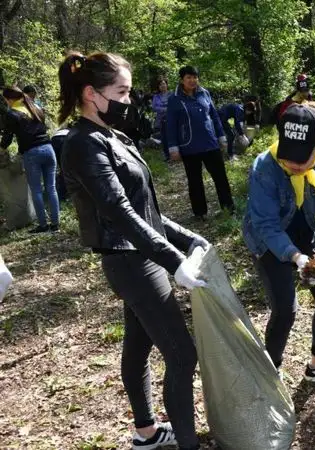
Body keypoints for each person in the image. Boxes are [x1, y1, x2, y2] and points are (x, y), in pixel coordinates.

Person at [57, 51, 209, 450]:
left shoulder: (113, 136)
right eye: (121, 92)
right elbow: (118, 211)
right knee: (182, 355)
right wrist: (175, 261)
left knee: (138, 346)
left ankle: (146, 431)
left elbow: (147, 210)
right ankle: (188, 444)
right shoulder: (82, 144)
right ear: (92, 93)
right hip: (130, 261)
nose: (128, 100)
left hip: (142, 254)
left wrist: (186, 237)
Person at [242, 103, 315, 381]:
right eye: (289, 156)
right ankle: (271, 372)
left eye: (302, 158)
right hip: (268, 239)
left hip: (306, 230)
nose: (293, 164)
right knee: (285, 309)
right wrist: (296, 257)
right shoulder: (265, 166)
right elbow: (265, 224)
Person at [166, 66, 234, 219]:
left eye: (195, 77)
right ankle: (200, 213)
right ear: (182, 80)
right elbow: (170, 124)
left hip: (210, 143)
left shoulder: (204, 93)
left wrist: (221, 136)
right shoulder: (174, 98)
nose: (192, 80)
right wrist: (173, 147)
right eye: (189, 77)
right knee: (195, 181)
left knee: (220, 177)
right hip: (189, 146)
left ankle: (228, 208)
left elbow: (214, 116)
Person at [1, 86, 60, 233]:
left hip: (32, 153)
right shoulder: (35, 106)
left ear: (9, 99)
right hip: (49, 148)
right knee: (51, 188)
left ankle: (43, 225)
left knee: (36, 190)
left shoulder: (12, 113)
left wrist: (1, 148)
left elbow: (7, 137)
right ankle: (55, 224)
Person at [151, 77, 171, 159]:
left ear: (166, 85)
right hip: (161, 120)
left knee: (173, 135)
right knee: (164, 137)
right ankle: (167, 155)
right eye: (160, 84)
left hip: (171, 118)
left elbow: (174, 106)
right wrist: (164, 109)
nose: (162, 86)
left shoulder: (172, 94)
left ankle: (176, 153)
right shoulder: (156, 96)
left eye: (164, 84)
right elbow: (154, 107)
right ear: (158, 87)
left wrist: (165, 109)